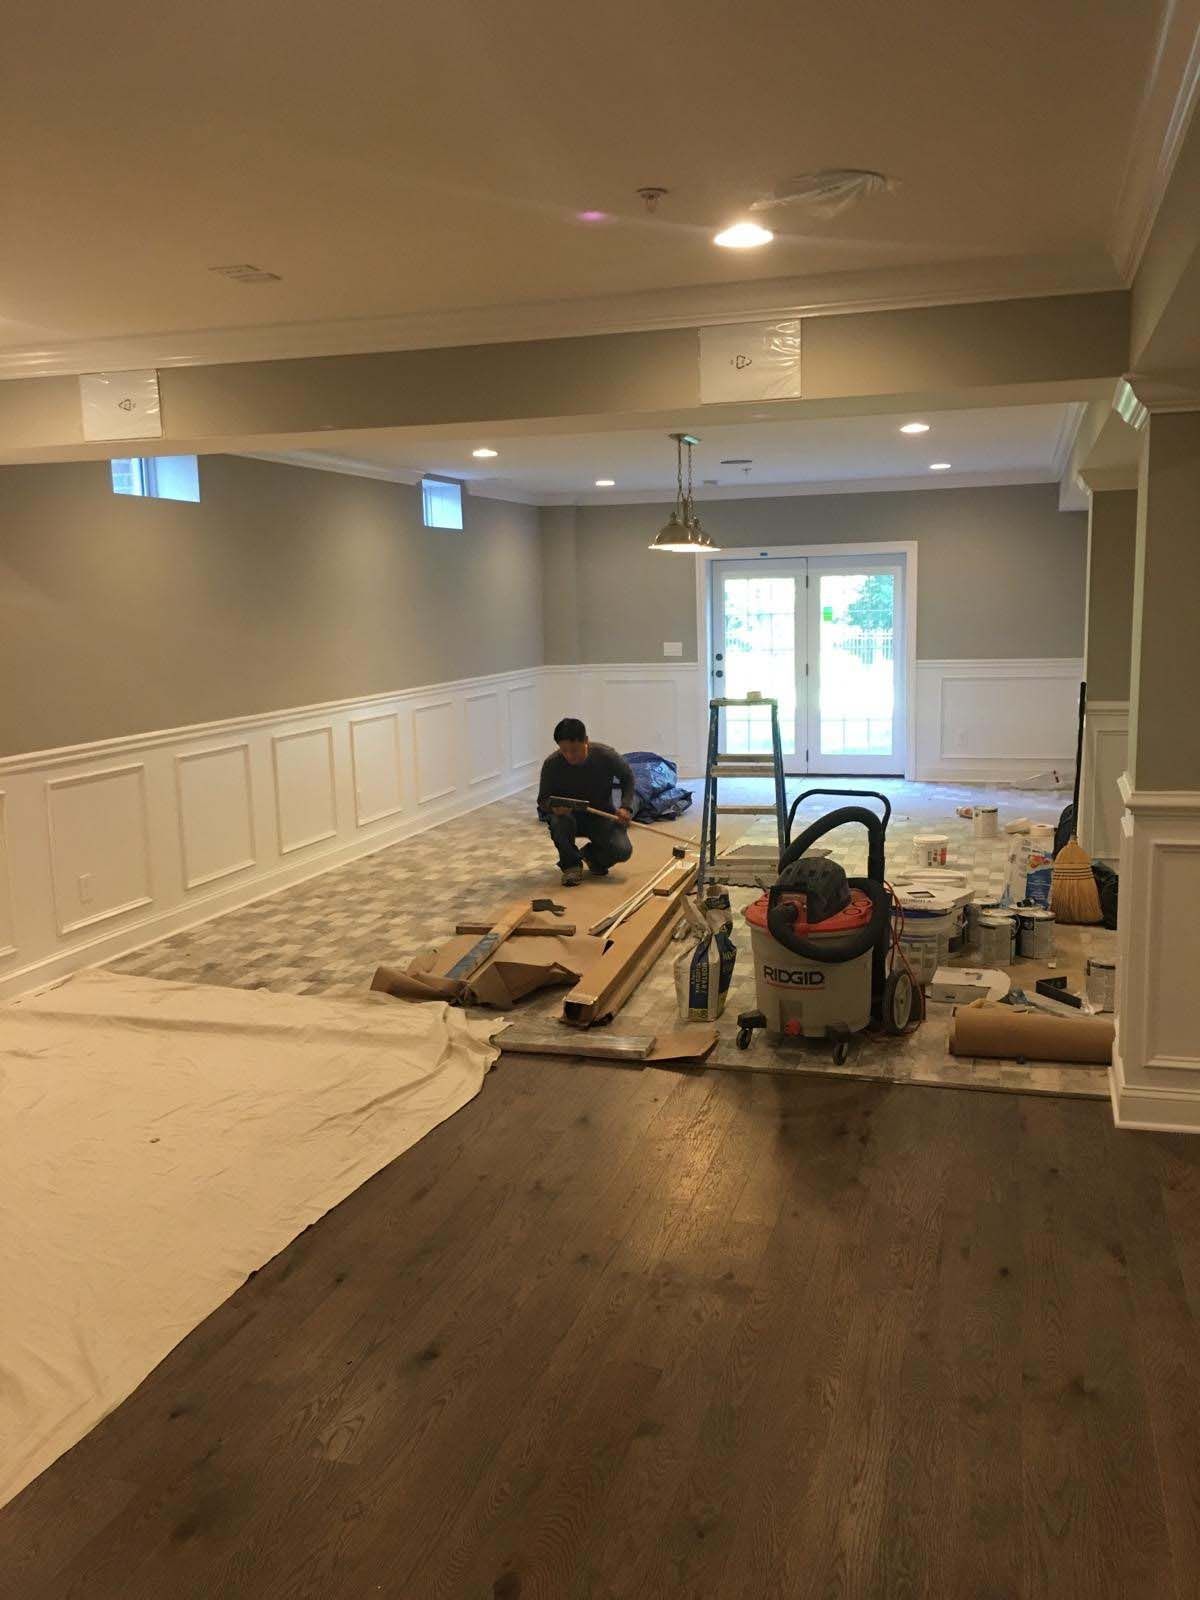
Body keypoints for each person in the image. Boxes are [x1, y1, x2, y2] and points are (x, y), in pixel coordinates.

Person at [537, 718, 636, 886]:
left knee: (623, 850)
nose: (569, 755)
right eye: (564, 750)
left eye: (574, 750)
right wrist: (554, 809)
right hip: (568, 817)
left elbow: (628, 778)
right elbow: (543, 800)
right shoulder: (552, 764)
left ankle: (591, 856)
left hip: (601, 815)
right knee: (559, 823)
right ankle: (571, 866)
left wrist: (626, 807)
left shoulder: (605, 755)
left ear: (586, 741)